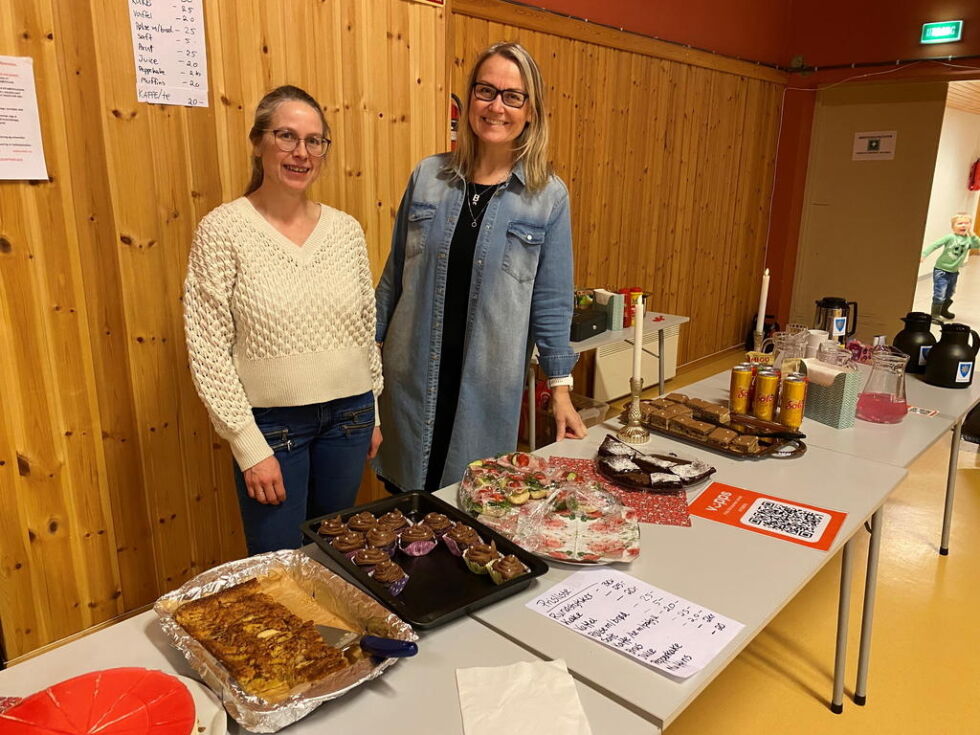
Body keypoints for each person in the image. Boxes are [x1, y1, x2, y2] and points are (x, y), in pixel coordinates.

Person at [374, 42, 587, 494]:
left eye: (513, 96)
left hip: (487, 385)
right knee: (403, 511)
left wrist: (561, 390)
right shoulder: (427, 177)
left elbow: (550, 300)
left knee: (471, 510)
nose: (496, 106)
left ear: (531, 111)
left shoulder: (547, 196)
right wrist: (367, 360)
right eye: (486, 91)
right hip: (411, 377)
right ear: (469, 98)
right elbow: (394, 277)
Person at [183, 85, 383, 554]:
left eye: (315, 141)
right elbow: (208, 349)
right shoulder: (223, 230)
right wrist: (247, 445)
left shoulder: (346, 230)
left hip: (351, 418)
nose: (301, 152)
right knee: (277, 566)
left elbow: (363, 329)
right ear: (259, 142)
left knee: (338, 555)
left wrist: (373, 410)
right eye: (287, 136)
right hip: (273, 427)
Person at [921, 213, 980, 320]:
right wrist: (924, 254)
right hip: (941, 270)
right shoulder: (950, 237)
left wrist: (972, 234)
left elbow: (978, 245)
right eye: (960, 223)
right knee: (940, 293)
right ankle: (934, 315)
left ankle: (943, 310)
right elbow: (935, 245)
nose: (963, 225)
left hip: (954, 271)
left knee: (949, 292)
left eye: (966, 223)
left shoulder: (969, 240)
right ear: (953, 226)